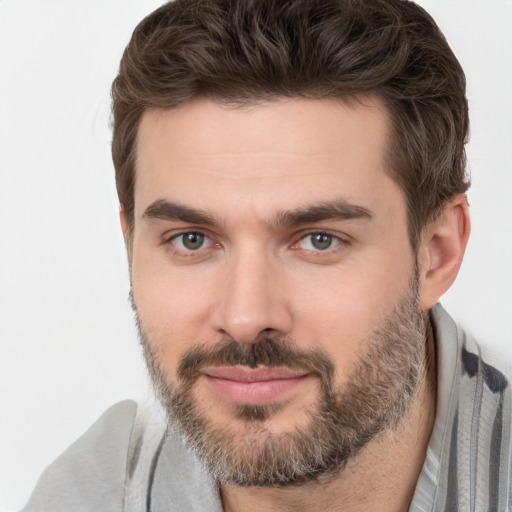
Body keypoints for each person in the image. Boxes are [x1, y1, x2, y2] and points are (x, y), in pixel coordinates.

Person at [21, 0, 511, 511]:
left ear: (436, 254)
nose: (246, 318)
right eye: (192, 239)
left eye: (319, 240)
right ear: (131, 246)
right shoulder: (91, 494)